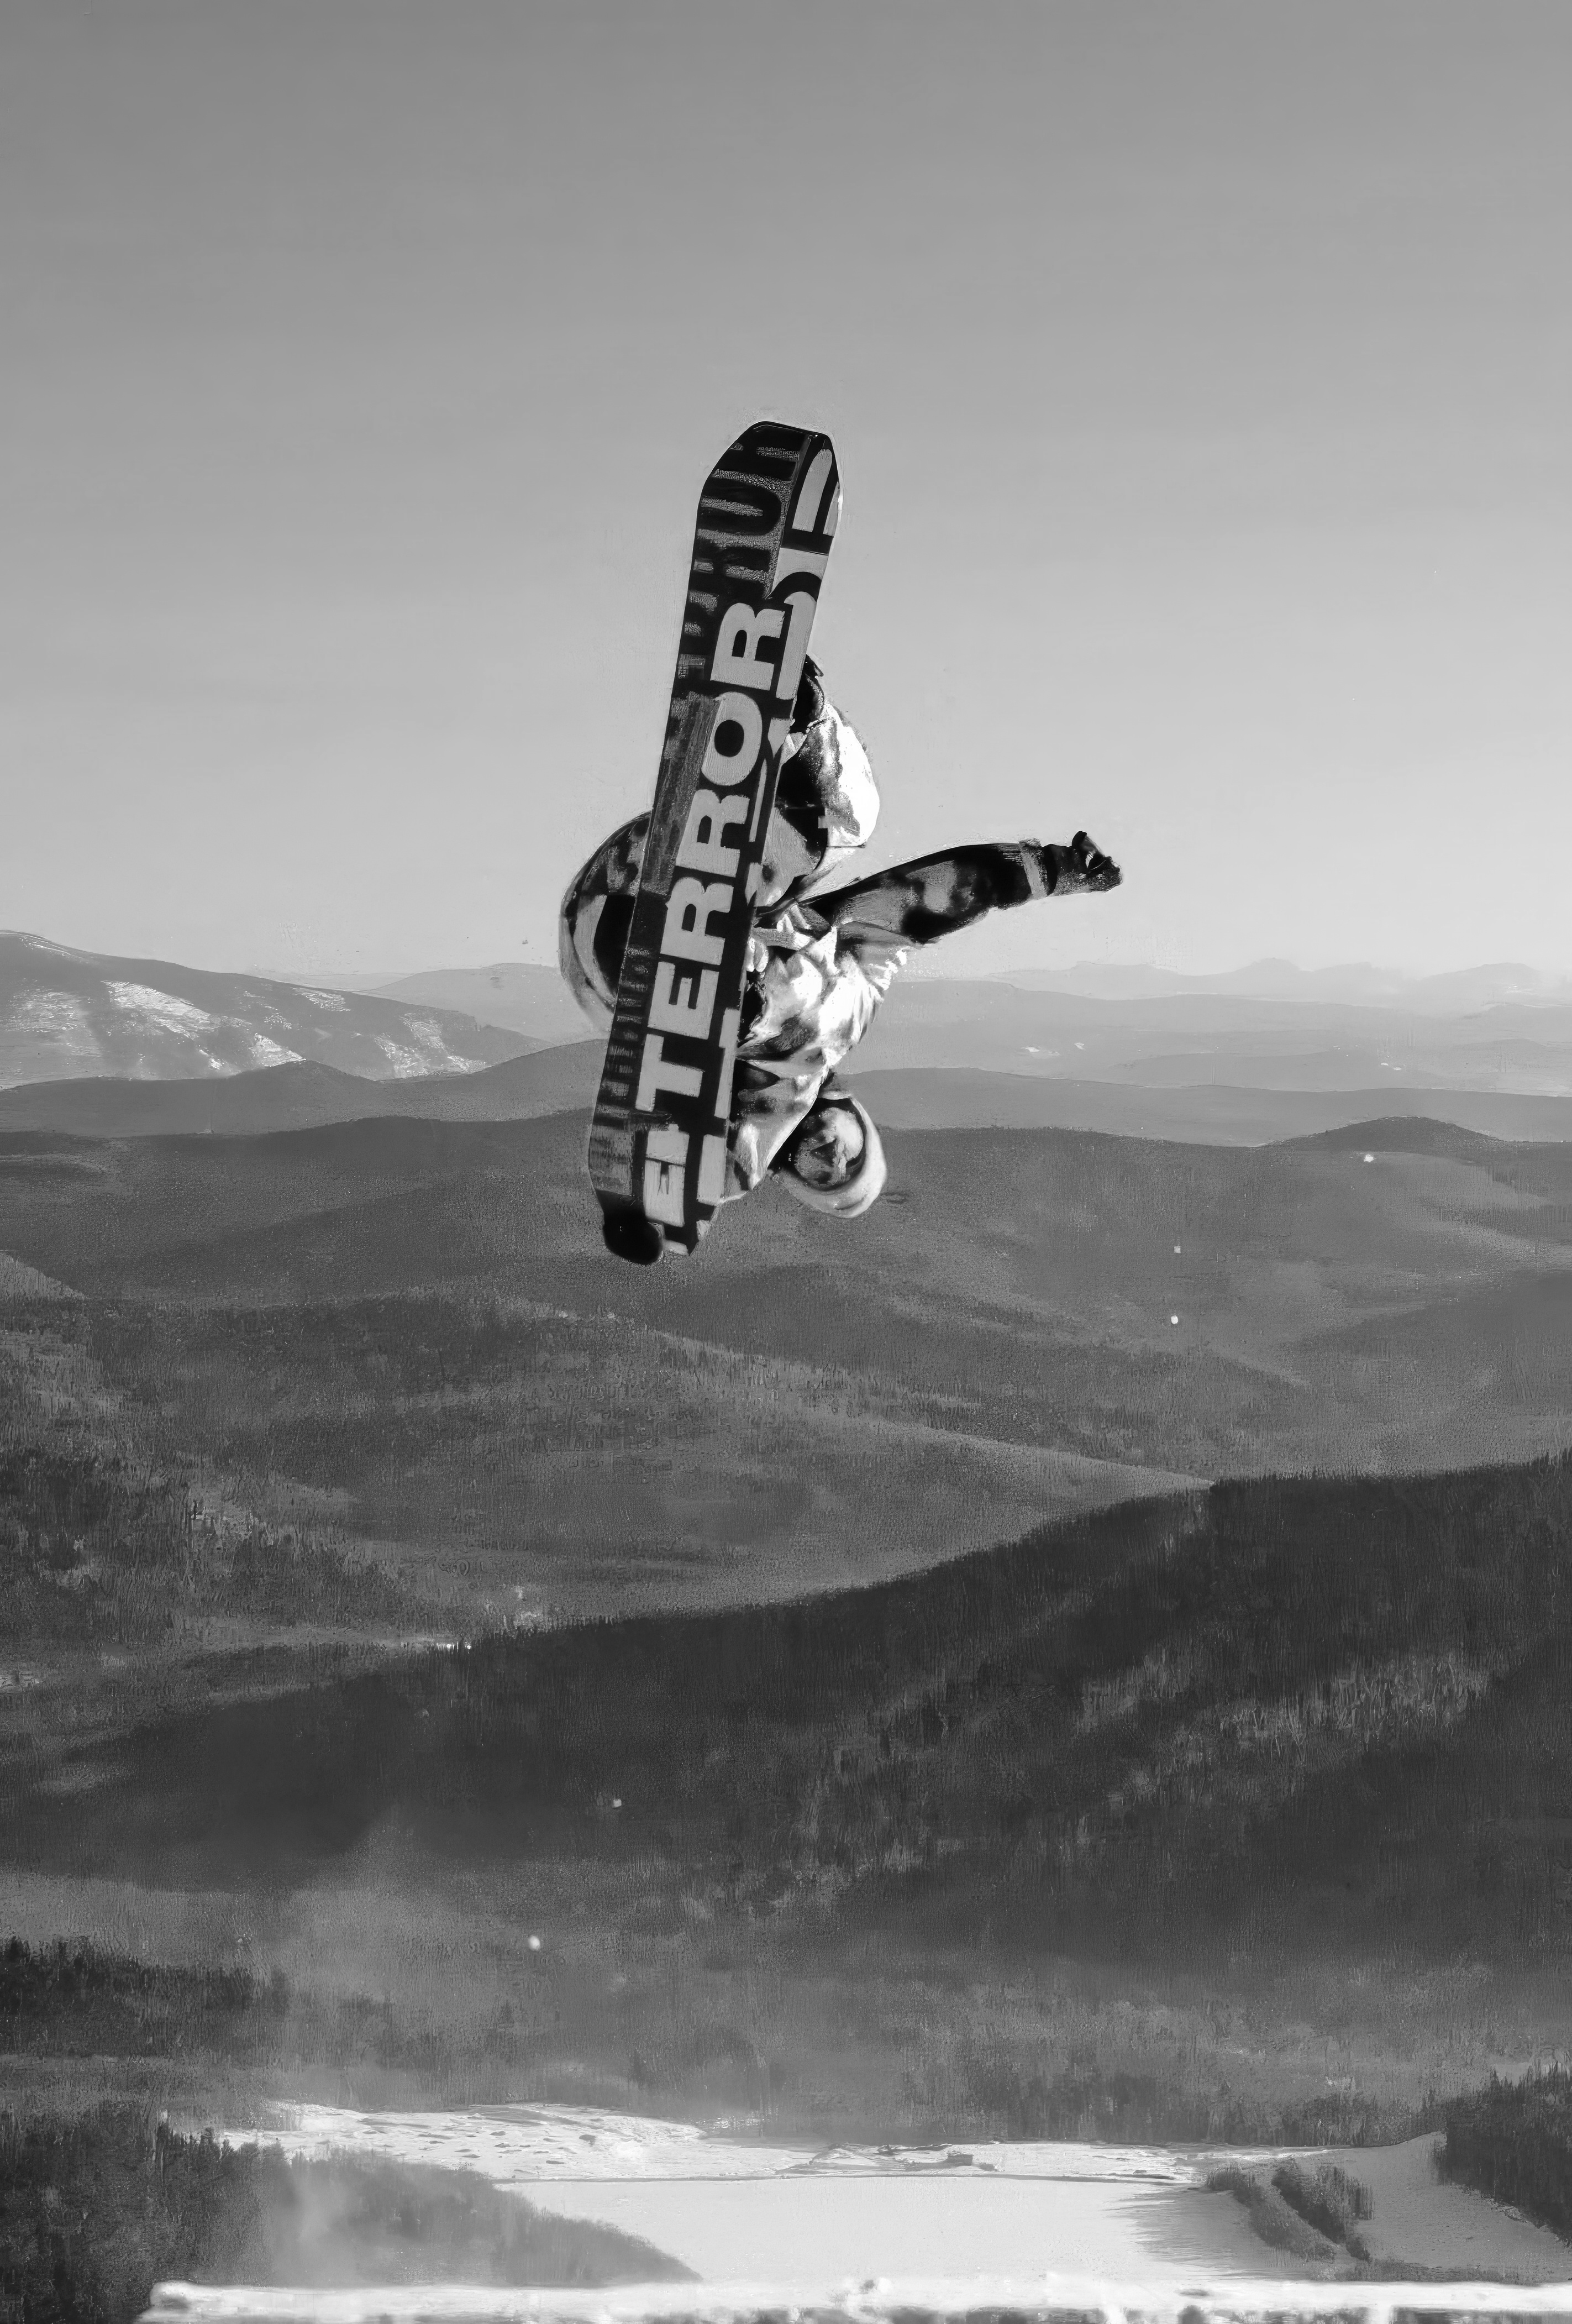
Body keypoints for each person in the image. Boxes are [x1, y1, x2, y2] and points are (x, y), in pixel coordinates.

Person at [560, 660, 1121, 1257]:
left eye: (820, 1174)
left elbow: (702, 1181)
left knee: (790, 999)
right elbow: (925, 900)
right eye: (851, 1157)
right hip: (646, 878)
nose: (832, 1158)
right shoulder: (856, 997)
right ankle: (795, 718)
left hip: (612, 964)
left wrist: (635, 1215)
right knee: (851, 818)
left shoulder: (756, 1135)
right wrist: (1045, 872)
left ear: (791, 1171)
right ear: (857, 1118)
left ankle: (723, 994)